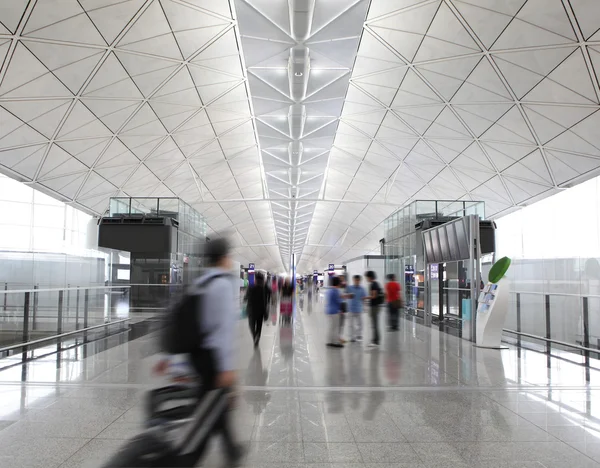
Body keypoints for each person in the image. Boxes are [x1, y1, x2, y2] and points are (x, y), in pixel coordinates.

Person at [187, 237, 244, 465]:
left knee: (215, 403)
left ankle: (231, 448)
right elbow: (222, 331)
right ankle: (190, 455)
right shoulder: (221, 285)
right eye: (229, 256)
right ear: (223, 258)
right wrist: (226, 368)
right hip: (211, 358)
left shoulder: (200, 282)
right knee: (211, 406)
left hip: (197, 354)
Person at [245, 271, 270, 347]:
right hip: (261, 310)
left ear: (255, 278)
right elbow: (266, 299)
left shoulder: (251, 286)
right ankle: (257, 338)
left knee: (251, 325)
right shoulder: (264, 287)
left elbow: (246, 297)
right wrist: (266, 312)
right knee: (259, 326)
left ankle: (254, 336)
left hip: (251, 310)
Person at [365, 271, 383, 348]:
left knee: (374, 324)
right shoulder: (376, 284)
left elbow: (374, 296)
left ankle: (376, 341)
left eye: (367, 277)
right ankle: (375, 340)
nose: (366, 279)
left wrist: (365, 298)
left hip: (374, 306)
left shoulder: (373, 284)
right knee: (374, 324)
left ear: (370, 277)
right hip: (375, 306)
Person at [347, 275, 367, 342]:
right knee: (351, 324)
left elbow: (364, 298)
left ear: (360, 281)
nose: (357, 282)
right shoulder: (349, 288)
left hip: (359, 309)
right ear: (353, 280)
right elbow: (344, 296)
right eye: (355, 280)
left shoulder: (362, 289)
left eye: (358, 280)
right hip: (351, 309)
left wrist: (365, 307)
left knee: (360, 324)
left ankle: (358, 335)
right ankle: (352, 337)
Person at [326, 276, 344, 348]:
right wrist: (342, 309)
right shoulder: (336, 291)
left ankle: (330, 341)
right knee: (335, 327)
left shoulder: (329, 290)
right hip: (335, 311)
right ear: (338, 283)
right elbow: (338, 301)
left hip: (329, 310)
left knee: (331, 327)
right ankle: (335, 342)